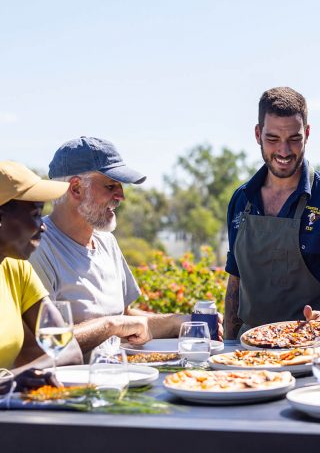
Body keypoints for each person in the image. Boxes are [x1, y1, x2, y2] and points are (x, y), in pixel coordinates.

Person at [30, 137, 221, 353]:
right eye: (111, 186)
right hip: (68, 384)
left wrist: (181, 322)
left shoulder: (106, 241)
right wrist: (112, 326)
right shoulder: (36, 246)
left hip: (117, 376)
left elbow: (126, 317)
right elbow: (46, 342)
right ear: (76, 189)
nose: (121, 196)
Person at [224, 87, 320, 339]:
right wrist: (229, 345)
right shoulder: (241, 200)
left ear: (307, 134)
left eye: (294, 139)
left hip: (316, 353)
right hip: (247, 356)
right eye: (273, 139)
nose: (284, 151)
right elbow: (235, 282)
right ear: (257, 134)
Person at [0, 161, 82, 373]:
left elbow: (69, 351)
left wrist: (13, 380)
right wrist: (11, 382)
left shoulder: (17, 269)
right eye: (36, 215)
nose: (43, 226)